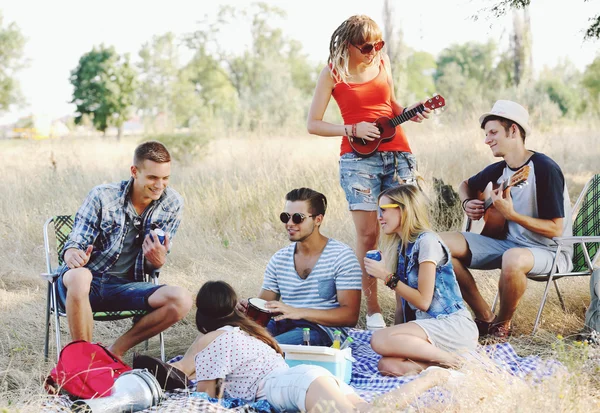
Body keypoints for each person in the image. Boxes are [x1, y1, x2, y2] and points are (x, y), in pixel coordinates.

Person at [307, 15, 431, 330]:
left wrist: (408, 113)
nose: (373, 51)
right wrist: (351, 128)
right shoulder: (333, 72)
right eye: (366, 47)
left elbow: (388, 104)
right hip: (359, 161)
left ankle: (409, 308)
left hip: (398, 154)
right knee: (368, 234)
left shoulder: (383, 62)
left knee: (407, 230)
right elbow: (313, 124)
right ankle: (373, 307)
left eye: (378, 44)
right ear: (348, 45)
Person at [168, 280, 453, 412]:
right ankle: (432, 379)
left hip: (296, 385)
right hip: (306, 378)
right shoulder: (247, 332)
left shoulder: (212, 339)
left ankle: (432, 377)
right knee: (370, 410)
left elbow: (206, 402)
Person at [440, 100, 573, 340]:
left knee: (512, 258)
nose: (487, 139)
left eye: (493, 132)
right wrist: (468, 202)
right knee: (436, 245)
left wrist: (512, 215)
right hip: (507, 243)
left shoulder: (544, 169)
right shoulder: (500, 169)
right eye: (486, 134)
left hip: (550, 251)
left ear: (513, 130)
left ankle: (501, 326)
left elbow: (556, 228)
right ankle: (484, 317)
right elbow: (465, 186)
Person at [55, 141, 193, 359]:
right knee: (81, 276)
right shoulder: (102, 196)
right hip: (85, 283)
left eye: (165, 178)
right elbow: (76, 240)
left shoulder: (172, 203)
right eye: (152, 178)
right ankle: (83, 361)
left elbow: (153, 265)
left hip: (126, 287)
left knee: (182, 299)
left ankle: (114, 352)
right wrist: (72, 253)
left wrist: (157, 261)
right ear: (134, 172)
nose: (160, 185)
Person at [364, 185, 478, 376]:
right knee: (387, 365)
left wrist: (385, 276)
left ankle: (455, 362)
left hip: (451, 326)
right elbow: (401, 307)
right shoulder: (401, 247)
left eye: (383, 210)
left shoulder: (427, 241)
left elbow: (424, 301)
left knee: (378, 339)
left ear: (403, 209)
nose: (379, 216)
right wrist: (394, 340)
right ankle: (448, 370)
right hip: (428, 331)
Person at [238, 188, 362, 346]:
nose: (289, 223)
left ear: (318, 219)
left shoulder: (341, 256)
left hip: (323, 331)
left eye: (298, 218)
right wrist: (246, 308)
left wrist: (299, 312)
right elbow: (265, 305)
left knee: (264, 350)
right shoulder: (279, 259)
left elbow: (350, 316)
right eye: (285, 217)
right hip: (283, 324)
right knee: (232, 338)